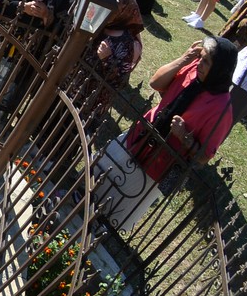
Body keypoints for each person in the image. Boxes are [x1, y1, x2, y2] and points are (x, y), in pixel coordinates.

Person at [93, 37, 238, 232]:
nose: (199, 64)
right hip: (140, 134)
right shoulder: (192, 68)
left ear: (220, 69)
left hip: (158, 163)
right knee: (103, 168)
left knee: (122, 201)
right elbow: (155, 83)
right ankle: (82, 196)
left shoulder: (221, 108)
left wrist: (184, 136)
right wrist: (184, 59)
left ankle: (99, 227)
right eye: (200, 58)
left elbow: (203, 156)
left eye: (206, 62)